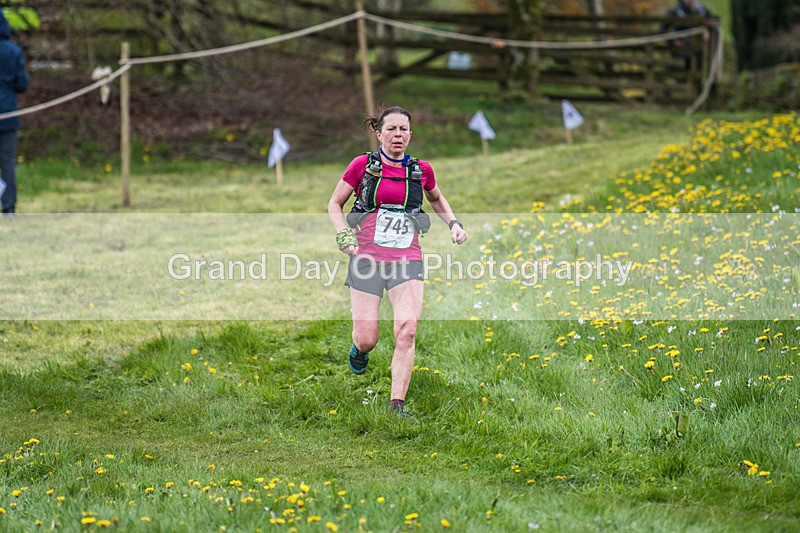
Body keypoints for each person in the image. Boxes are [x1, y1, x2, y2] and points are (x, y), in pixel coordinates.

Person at [327, 106, 468, 419]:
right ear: (379, 134)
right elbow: (335, 204)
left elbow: (436, 198)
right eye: (391, 129)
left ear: (410, 135)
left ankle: (397, 406)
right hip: (365, 258)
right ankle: (360, 350)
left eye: (403, 129)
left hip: (407, 258)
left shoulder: (421, 170)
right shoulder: (362, 165)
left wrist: (453, 223)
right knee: (367, 338)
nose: (398, 135)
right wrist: (343, 236)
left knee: (406, 330)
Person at [0, 10, 28, 217]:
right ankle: (9, 207)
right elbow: (22, 84)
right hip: (8, 113)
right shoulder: (13, 51)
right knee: (7, 161)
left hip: (8, 115)